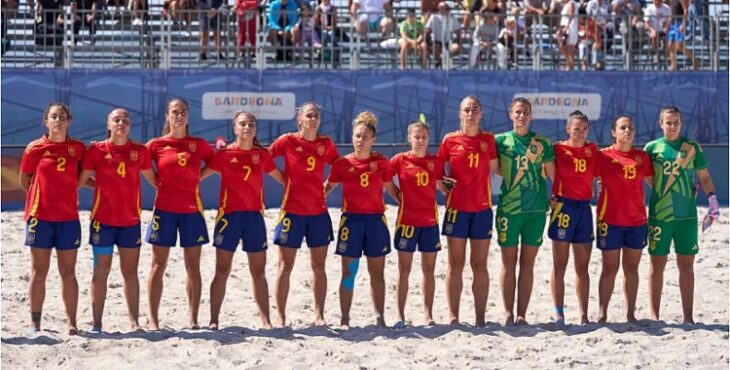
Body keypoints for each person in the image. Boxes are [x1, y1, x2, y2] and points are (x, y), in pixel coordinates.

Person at [201, 111, 285, 330]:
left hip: (254, 217)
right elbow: (197, 176)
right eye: (243, 124)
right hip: (228, 217)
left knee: (258, 272)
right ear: (235, 128)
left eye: (251, 124)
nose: (247, 127)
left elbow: (285, 179)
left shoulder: (262, 156)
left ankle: (266, 320)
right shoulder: (224, 155)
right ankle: (213, 319)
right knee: (222, 270)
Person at [77, 108, 157, 333]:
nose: (121, 123)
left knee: (130, 273)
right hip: (102, 222)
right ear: (108, 125)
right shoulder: (96, 151)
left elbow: (155, 180)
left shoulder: (139, 151)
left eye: (125, 120)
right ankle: (97, 324)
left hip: (130, 222)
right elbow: (80, 181)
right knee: (101, 272)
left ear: (130, 125)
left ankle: (134, 322)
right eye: (116, 120)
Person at [644, 106, 719, 324]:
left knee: (686, 266)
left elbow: (704, 177)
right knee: (657, 265)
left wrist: (712, 199)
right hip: (660, 215)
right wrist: (663, 188)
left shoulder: (691, 147)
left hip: (687, 216)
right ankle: (654, 315)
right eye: (668, 122)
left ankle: (688, 317)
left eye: (676, 122)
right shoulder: (652, 148)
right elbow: (646, 176)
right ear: (660, 124)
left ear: (681, 122)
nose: (673, 126)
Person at [325, 111, 399, 329]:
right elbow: (326, 189)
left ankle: (379, 317)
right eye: (358, 136)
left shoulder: (382, 163)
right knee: (349, 272)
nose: (361, 140)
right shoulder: (342, 164)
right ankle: (345, 318)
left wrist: (408, 203)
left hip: (376, 221)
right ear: (352, 137)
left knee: (377, 273)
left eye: (365, 137)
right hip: (351, 222)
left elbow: (392, 190)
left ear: (373, 140)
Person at [145, 98, 214, 330]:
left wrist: (196, 178)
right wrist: (160, 184)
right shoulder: (155, 145)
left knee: (193, 268)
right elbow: (145, 169)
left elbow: (215, 164)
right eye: (175, 111)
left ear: (188, 116)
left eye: (183, 111)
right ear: (167, 116)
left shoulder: (199, 144)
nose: (179, 115)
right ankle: (153, 319)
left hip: (192, 212)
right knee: (158, 266)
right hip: (164, 210)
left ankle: (193, 318)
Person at [269, 102, 339, 327]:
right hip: (292, 211)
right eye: (309, 115)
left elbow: (338, 168)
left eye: (316, 116)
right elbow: (265, 159)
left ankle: (319, 315)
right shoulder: (288, 141)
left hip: (318, 212)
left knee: (319, 266)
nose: (313, 119)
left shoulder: (325, 143)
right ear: (300, 119)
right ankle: (280, 316)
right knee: (284, 266)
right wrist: (283, 178)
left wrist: (326, 188)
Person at [20, 102, 86, 335]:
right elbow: (25, 180)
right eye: (54, 116)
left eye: (62, 117)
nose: (58, 120)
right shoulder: (34, 148)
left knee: (68, 272)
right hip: (40, 217)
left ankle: (72, 323)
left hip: (68, 217)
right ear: (46, 121)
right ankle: (35, 324)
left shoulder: (78, 148)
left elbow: (82, 177)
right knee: (39, 271)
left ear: (69, 121)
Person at [437, 95, 498, 327]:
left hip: (482, 209)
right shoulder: (450, 140)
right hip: (456, 210)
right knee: (455, 264)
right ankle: (454, 317)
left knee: (480, 265)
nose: (471, 113)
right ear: (460, 114)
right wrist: (441, 183)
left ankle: (480, 318)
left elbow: (497, 170)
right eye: (466, 110)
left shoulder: (488, 140)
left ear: (481, 114)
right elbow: (437, 168)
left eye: (475, 110)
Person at [495, 97, 556, 326]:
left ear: (531, 116)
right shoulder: (500, 142)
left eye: (526, 112)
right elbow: (495, 169)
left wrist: (551, 196)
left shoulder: (542, 143)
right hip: (508, 210)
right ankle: (508, 313)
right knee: (508, 263)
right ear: (511, 114)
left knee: (527, 264)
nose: (522, 116)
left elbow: (553, 174)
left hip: (536, 211)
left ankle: (522, 314)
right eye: (518, 112)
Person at [595, 116, 652, 323]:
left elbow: (656, 184)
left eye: (630, 127)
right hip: (609, 219)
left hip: (636, 220)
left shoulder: (642, 157)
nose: (627, 130)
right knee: (610, 268)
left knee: (632, 268)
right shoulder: (602, 156)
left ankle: (630, 314)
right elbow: (581, 177)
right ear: (613, 132)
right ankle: (602, 313)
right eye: (622, 127)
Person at [390, 120, 444, 327]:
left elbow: (442, 184)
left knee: (429, 270)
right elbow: (386, 179)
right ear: (409, 138)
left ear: (429, 139)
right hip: (406, 222)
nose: (420, 141)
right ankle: (399, 315)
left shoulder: (435, 161)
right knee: (404, 270)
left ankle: (428, 314)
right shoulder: (400, 160)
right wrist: (397, 196)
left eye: (424, 137)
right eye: (417, 137)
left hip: (430, 222)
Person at [548, 110, 597, 326]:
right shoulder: (557, 149)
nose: (580, 133)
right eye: (576, 129)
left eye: (584, 129)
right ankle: (559, 311)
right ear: (568, 129)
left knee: (583, 267)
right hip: (563, 207)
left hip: (584, 209)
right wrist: (548, 197)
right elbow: (541, 172)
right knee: (560, 264)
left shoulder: (592, 150)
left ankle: (584, 314)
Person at [423, 2, 461, 69]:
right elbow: (428, 30)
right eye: (447, 9)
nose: (448, 10)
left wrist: (459, 42)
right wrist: (427, 42)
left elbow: (458, 31)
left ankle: (444, 61)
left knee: (456, 48)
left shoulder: (452, 17)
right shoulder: (434, 17)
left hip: (448, 41)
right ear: (440, 9)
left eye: (448, 9)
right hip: (436, 41)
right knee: (435, 48)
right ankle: (442, 63)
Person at [667, 0, 700, 71]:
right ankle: (673, 65)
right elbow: (671, 12)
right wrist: (668, 23)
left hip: (679, 23)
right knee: (670, 45)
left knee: (679, 45)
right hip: (673, 23)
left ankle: (695, 60)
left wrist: (683, 24)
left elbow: (685, 10)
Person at [643, 0, 671, 65]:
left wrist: (667, 26)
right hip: (653, 30)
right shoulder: (649, 9)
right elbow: (646, 23)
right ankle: (657, 55)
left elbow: (670, 20)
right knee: (654, 36)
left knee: (670, 36)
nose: (658, 2)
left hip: (664, 30)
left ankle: (668, 55)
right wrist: (652, 30)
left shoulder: (667, 8)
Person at [558, 0, 578, 70]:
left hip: (568, 28)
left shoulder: (571, 3)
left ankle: (570, 67)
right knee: (564, 46)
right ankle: (569, 66)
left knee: (568, 48)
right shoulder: (567, 4)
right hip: (565, 26)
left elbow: (571, 14)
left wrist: (566, 26)